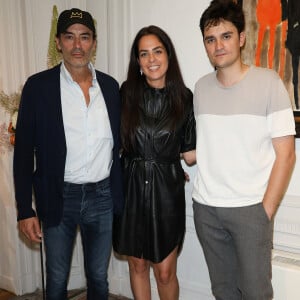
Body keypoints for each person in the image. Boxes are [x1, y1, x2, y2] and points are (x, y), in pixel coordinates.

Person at [13, 8, 123, 300]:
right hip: (58, 196)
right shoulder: (38, 88)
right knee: (58, 279)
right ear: (59, 42)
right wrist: (25, 210)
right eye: (70, 37)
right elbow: (23, 153)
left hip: (102, 198)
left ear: (94, 43)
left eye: (84, 37)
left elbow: (122, 147)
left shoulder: (111, 89)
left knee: (99, 277)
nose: (78, 45)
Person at [192, 0, 296, 299]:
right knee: (223, 291)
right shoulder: (200, 88)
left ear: (241, 38)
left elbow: (286, 155)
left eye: (226, 36)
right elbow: (213, 144)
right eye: (210, 39)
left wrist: (265, 211)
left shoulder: (268, 82)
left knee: (255, 293)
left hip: (251, 209)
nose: (218, 45)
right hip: (207, 209)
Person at [113, 25, 196, 300]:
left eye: (157, 51)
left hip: (166, 194)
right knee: (137, 265)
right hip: (131, 189)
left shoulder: (185, 99)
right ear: (138, 61)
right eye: (144, 54)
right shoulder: (125, 94)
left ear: (168, 55)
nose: (152, 60)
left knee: (164, 272)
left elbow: (190, 153)